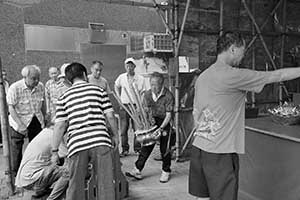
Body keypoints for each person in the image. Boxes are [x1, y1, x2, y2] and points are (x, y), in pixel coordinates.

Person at [189, 31, 300, 200]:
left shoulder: (203, 77)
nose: (243, 54)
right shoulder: (233, 75)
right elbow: (277, 75)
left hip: (199, 148)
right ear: (233, 49)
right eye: (243, 50)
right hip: (220, 152)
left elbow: (195, 111)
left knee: (202, 198)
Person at [51, 62, 119, 200]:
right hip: (101, 140)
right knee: (105, 183)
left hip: (77, 144)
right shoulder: (98, 91)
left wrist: (54, 151)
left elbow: (60, 125)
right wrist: (116, 136)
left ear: (69, 79)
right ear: (84, 75)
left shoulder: (63, 98)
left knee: (75, 184)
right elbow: (110, 116)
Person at [126, 72, 174, 183]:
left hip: (165, 123)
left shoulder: (168, 95)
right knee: (147, 145)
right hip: (152, 121)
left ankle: (166, 171)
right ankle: (137, 169)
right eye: (151, 84)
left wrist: (161, 128)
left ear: (161, 84)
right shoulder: (147, 94)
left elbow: (169, 115)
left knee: (164, 148)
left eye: (155, 84)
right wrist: (146, 120)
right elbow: (145, 109)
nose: (153, 87)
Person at [7, 65, 46, 176]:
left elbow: (43, 103)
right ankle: (16, 173)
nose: (37, 81)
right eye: (34, 78)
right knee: (16, 149)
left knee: (37, 147)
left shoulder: (40, 86)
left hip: (36, 119)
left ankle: (34, 170)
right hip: (19, 120)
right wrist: (20, 125)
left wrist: (45, 117)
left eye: (38, 78)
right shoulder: (15, 88)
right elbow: (11, 108)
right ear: (25, 77)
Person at [15, 126, 69, 200]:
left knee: (57, 167)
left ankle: (42, 195)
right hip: (32, 179)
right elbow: (69, 157)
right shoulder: (54, 136)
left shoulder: (45, 132)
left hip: (25, 179)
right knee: (68, 172)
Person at [114, 57, 146, 156]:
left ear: (134, 66)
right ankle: (125, 149)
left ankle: (137, 148)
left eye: (131, 65)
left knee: (137, 129)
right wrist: (119, 98)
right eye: (127, 65)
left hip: (136, 105)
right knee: (123, 129)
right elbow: (116, 86)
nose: (129, 67)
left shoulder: (140, 78)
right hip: (125, 106)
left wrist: (140, 106)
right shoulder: (121, 77)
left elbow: (143, 93)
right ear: (125, 66)